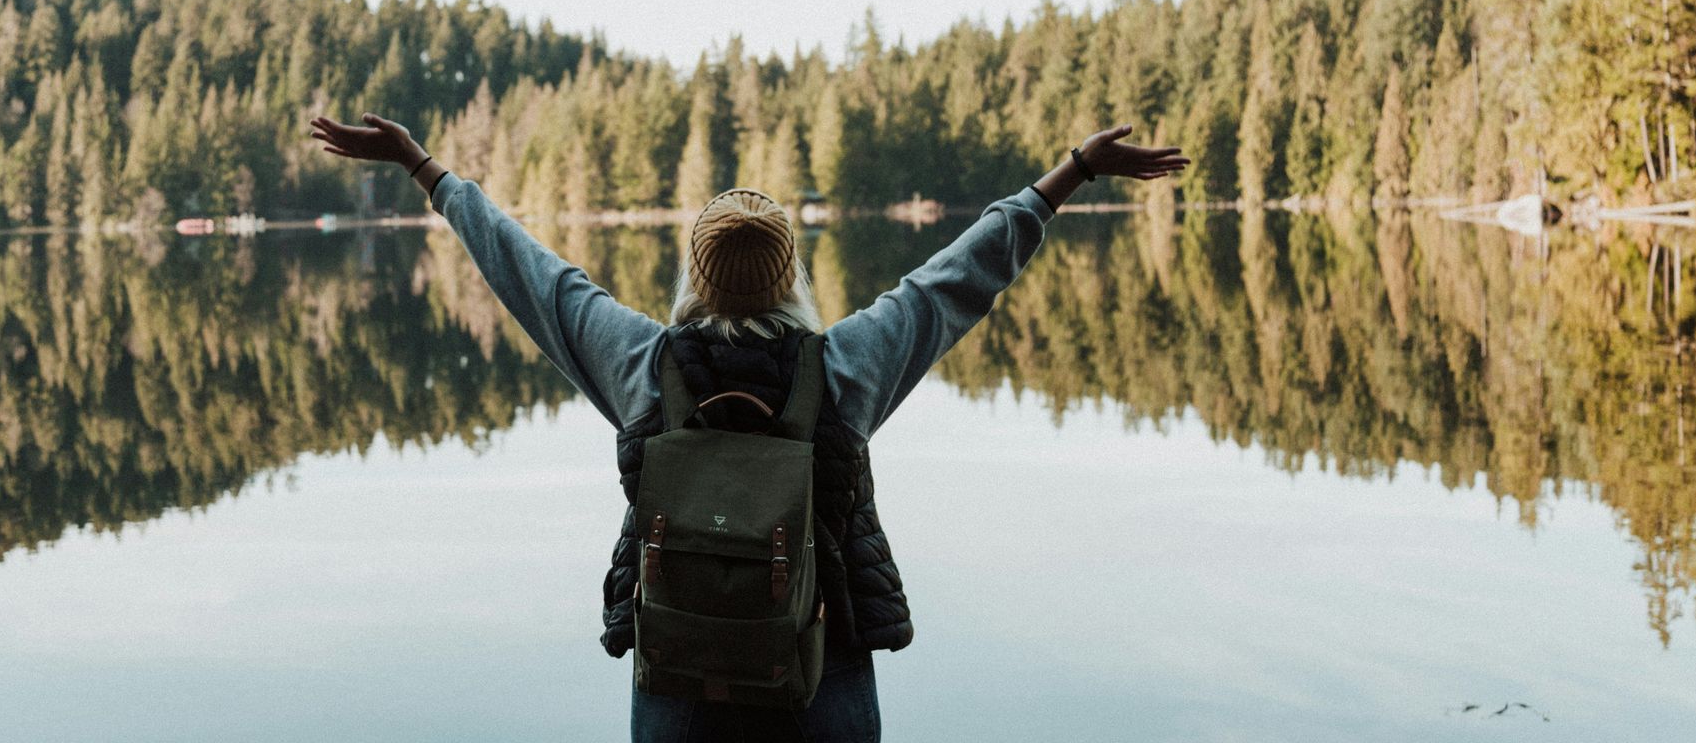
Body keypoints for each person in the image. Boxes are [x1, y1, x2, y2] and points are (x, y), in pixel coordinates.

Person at [309, 111, 1187, 742]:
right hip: (821, 669)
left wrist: (425, 168)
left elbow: (530, 274)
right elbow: (960, 276)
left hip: (682, 674)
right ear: (790, 277)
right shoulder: (845, 369)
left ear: (694, 274)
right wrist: (1073, 169)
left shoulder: (642, 367)